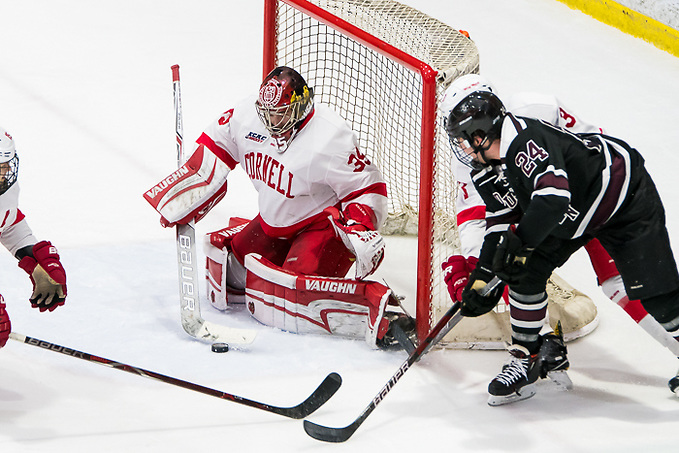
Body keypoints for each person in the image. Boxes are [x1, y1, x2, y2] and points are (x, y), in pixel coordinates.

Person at [442, 76, 679, 405]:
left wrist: (520, 243)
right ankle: (526, 357)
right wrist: (483, 276)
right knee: (524, 274)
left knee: (657, 295)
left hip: (620, 197)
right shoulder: (485, 167)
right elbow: (499, 215)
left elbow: (553, 197)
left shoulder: (524, 140)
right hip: (570, 213)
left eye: (463, 140)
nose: (462, 148)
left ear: (479, 133)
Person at [145, 66, 413, 349]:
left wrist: (359, 227)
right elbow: (216, 145)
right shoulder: (248, 114)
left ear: (300, 106)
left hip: (320, 225)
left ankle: (380, 313)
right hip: (276, 220)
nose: (272, 121)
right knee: (231, 275)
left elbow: (367, 187)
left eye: (281, 113)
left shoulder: (329, 138)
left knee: (292, 295)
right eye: (267, 113)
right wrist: (186, 193)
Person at [0, 126, 68, 349]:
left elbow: (7, 224)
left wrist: (33, 257)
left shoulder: (4, 189)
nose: (5, 173)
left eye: (6, 165)